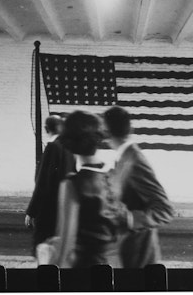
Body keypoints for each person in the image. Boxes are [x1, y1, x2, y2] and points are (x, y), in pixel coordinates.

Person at [43, 110, 129, 268]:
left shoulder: (72, 184)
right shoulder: (114, 175)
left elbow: (65, 245)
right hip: (116, 267)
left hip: (85, 270)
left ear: (68, 142)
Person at [104, 106, 174, 268]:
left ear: (106, 133)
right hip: (125, 253)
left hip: (139, 258)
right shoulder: (124, 156)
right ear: (130, 128)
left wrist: (129, 219)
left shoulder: (134, 159)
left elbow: (164, 209)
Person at [26, 115, 76, 253]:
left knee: (44, 250)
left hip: (48, 210)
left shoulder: (52, 147)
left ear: (46, 129)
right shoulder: (68, 149)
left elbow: (43, 182)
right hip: (63, 207)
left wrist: (31, 211)